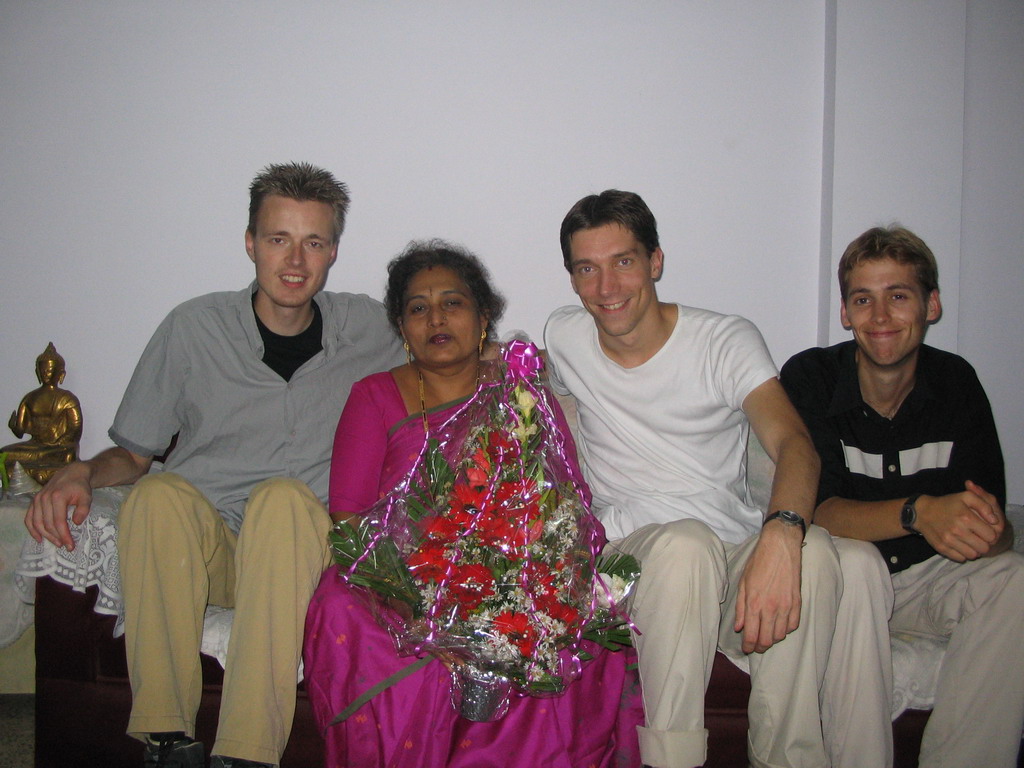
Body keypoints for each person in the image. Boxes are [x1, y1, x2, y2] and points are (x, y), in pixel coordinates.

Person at [23, 162, 405, 768]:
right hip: (212, 552)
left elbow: (448, 342)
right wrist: (80, 472)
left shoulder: (371, 329)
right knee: (156, 494)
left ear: (333, 250)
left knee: (280, 499)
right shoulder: (192, 327)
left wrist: (494, 356)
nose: (295, 261)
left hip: (300, 550)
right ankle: (167, 740)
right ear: (251, 242)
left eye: (313, 242)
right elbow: (135, 454)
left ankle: (247, 753)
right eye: (279, 239)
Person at [543, 190, 893, 768]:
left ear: (656, 261)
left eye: (623, 261)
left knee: (817, 552)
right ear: (573, 280)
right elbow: (494, 364)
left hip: (729, 552)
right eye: (587, 269)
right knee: (685, 543)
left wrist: (782, 535)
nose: (606, 288)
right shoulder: (565, 335)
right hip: (631, 563)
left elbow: (793, 446)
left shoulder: (724, 341)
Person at [303, 239, 644, 768]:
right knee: (337, 602)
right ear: (401, 326)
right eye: (418, 308)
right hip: (397, 579)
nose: (435, 317)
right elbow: (348, 520)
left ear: (484, 316)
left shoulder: (525, 396)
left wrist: (524, 584)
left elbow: (565, 503)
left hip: (512, 574)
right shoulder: (374, 394)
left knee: (580, 625)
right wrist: (413, 606)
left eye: (453, 302)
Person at [780, 225, 1024, 767]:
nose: (881, 316)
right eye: (863, 299)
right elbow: (818, 514)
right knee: (859, 561)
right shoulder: (811, 377)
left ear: (931, 305)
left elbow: (996, 525)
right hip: (848, 580)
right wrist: (921, 513)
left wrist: (986, 529)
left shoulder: (957, 382)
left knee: (1015, 580)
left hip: (930, 578)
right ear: (845, 313)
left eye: (899, 296)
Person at [3, 341, 83, 484]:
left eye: (50, 370)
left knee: (69, 455)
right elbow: (20, 432)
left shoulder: (67, 398)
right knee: (3, 454)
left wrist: (59, 443)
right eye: (43, 370)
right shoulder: (30, 398)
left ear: (60, 374)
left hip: (58, 448)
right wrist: (14, 426)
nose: (46, 373)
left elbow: (75, 429)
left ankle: (41, 474)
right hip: (35, 446)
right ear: (37, 372)